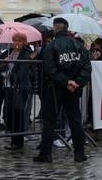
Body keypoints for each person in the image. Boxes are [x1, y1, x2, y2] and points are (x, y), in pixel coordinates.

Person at [34, 17, 91, 163]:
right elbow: (87, 67)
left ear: (54, 29)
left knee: (49, 121)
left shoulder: (51, 46)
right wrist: (76, 82)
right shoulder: (79, 46)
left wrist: (67, 82)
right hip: (72, 89)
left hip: (56, 88)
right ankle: (79, 153)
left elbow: (50, 69)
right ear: (67, 29)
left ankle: (46, 153)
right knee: (75, 120)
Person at [3, 32, 32, 150]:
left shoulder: (25, 55)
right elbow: (1, 67)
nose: (17, 43)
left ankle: (18, 142)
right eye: (15, 40)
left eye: (19, 40)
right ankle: (13, 140)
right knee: (10, 113)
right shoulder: (10, 52)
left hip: (20, 88)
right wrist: (5, 62)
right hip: (9, 87)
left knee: (18, 114)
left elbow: (21, 73)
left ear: (24, 42)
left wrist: (11, 68)